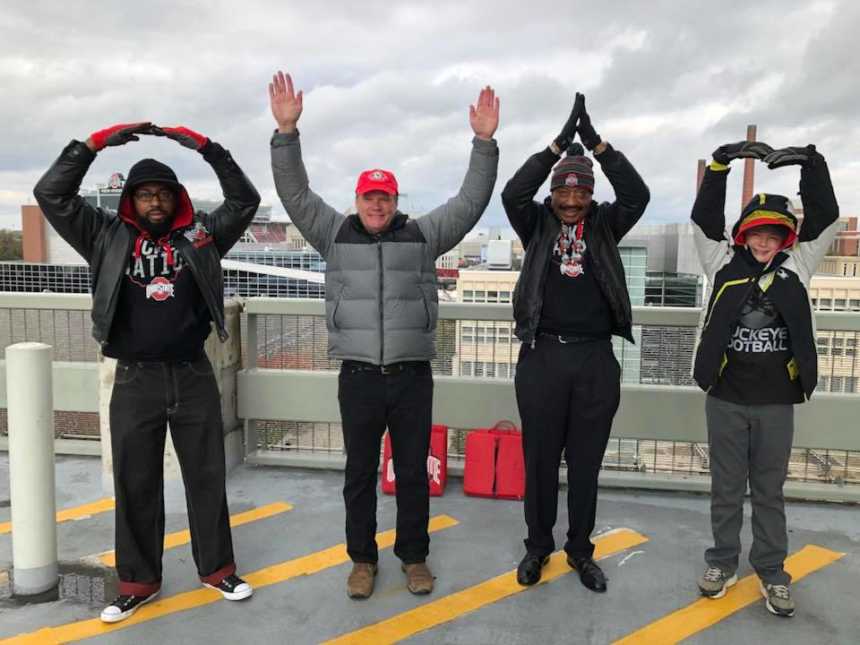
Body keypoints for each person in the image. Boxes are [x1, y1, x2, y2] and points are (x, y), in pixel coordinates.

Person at [268, 70, 499, 599]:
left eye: (385, 198)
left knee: (413, 473)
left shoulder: (423, 236)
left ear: (396, 202)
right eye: (369, 198)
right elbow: (295, 192)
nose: (377, 206)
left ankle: (414, 558)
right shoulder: (333, 233)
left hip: (412, 375)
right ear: (357, 199)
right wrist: (286, 132)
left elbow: (469, 201)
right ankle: (362, 561)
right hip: (358, 377)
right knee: (358, 475)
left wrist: (483, 144)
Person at [33, 122, 261, 622]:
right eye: (144, 195)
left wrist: (207, 147)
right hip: (134, 378)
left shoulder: (200, 236)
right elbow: (50, 192)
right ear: (130, 201)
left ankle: (218, 570)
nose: (154, 202)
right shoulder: (103, 235)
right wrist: (92, 144)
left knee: (206, 477)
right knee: (136, 482)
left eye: (163, 193)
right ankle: (137, 582)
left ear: (176, 198)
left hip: (193, 374)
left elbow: (245, 200)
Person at [502, 93, 650, 592]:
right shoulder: (536, 222)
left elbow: (638, 195)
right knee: (540, 461)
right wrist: (557, 147)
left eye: (579, 194)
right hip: (542, 356)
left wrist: (599, 148)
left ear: (589, 195)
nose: (570, 202)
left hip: (595, 360)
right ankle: (536, 548)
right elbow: (512, 194)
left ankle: (580, 551)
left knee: (586, 464)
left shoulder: (607, 225)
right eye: (563, 193)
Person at [691, 141, 839, 617]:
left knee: (770, 491)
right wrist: (720, 164)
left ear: (786, 240)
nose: (764, 243)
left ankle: (773, 571)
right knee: (726, 488)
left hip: (777, 401)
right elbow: (702, 219)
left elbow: (827, 215)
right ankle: (721, 562)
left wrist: (810, 165)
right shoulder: (720, 263)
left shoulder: (799, 266)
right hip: (726, 398)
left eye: (774, 236)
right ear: (743, 235)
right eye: (757, 234)